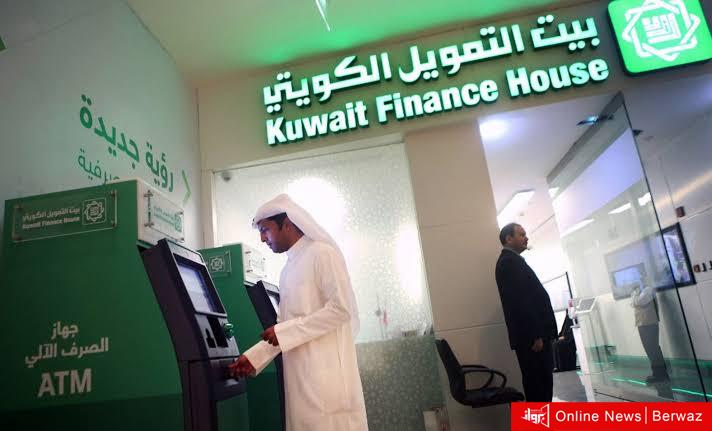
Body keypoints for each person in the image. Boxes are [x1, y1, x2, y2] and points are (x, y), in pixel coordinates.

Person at [228, 194, 368, 431]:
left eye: (265, 230)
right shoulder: (287, 270)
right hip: (301, 383)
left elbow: (341, 309)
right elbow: (284, 328)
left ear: (288, 224)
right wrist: (254, 358)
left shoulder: (322, 254)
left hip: (328, 384)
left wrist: (284, 332)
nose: (262, 238)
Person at [495, 223, 557, 402]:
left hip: (533, 336)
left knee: (540, 385)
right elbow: (520, 302)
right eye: (521, 234)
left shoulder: (513, 261)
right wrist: (535, 335)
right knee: (539, 387)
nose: (526, 238)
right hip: (532, 339)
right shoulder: (509, 262)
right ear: (509, 238)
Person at [631, 282, 669, 384]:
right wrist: (635, 294)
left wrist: (635, 293)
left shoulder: (648, 289)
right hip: (642, 323)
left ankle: (660, 375)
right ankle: (658, 373)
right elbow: (633, 303)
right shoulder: (639, 291)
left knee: (653, 349)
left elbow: (639, 302)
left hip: (649, 322)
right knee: (649, 349)